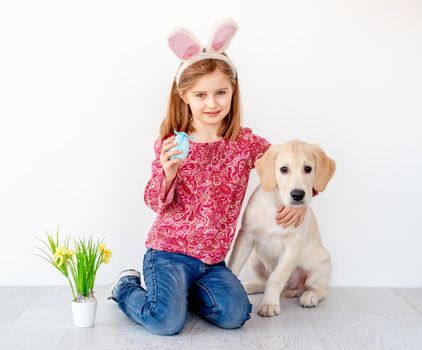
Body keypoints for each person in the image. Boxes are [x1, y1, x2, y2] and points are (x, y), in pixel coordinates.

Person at [109, 19, 307, 336]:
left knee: (235, 314)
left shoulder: (246, 143)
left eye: (220, 93)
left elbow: (287, 163)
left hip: (212, 261)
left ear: (233, 92)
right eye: (200, 95)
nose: (211, 103)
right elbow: (152, 202)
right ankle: (125, 287)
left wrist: (300, 203)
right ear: (184, 95)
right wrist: (168, 173)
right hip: (168, 254)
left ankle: (181, 297)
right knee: (165, 322)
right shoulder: (171, 143)